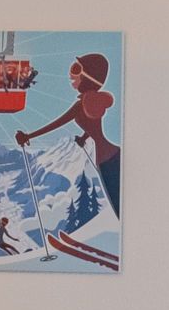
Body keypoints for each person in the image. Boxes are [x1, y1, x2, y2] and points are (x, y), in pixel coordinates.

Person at [16, 52, 120, 216]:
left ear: (87, 76)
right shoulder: (92, 101)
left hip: (105, 159)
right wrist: (84, 137)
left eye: (76, 69)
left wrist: (28, 136)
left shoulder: (82, 104)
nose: (71, 75)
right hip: (112, 154)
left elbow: (57, 123)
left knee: (117, 200)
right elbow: (94, 127)